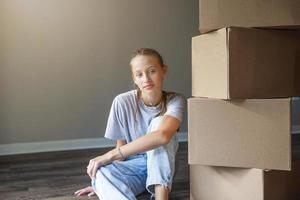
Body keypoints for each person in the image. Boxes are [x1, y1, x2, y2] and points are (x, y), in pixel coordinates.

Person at [74, 48, 185, 200]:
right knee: (100, 173)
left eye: (152, 71)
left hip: (162, 167)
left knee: (160, 123)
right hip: (135, 168)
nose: (146, 79)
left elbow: (163, 136)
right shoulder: (122, 102)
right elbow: (121, 148)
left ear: (163, 71)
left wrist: (109, 155)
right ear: (134, 79)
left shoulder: (175, 100)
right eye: (139, 74)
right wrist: (103, 182)